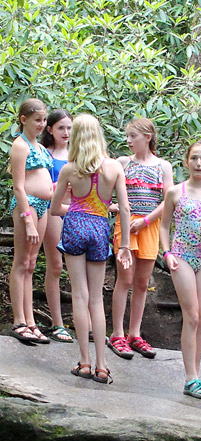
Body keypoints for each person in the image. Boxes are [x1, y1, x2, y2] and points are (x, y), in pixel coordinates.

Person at [50, 114, 132, 383]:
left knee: (79, 296)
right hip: (99, 228)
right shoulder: (113, 168)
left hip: (74, 225)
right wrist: (126, 245)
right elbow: (125, 208)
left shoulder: (69, 169)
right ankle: (102, 365)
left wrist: (74, 208)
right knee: (97, 298)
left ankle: (84, 362)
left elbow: (54, 209)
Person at [159, 140, 201, 399]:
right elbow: (164, 226)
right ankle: (191, 378)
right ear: (187, 161)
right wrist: (166, 253)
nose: (199, 163)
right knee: (191, 314)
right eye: (194, 158)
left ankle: (196, 375)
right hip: (182, 257)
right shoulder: (176, 192)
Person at [108, 118, 175, 360]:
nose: (128, 141)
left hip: (149, 225)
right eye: (127, 136)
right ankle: (117, 333)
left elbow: (169, 199)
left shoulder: (163, 166)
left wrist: (146, 221)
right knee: (124, 278)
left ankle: (134, 334)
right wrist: (114, 206)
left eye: (132, 136)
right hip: (125, 225)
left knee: (142, 282)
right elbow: (104, 185)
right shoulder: (123, 163)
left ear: (147, 137)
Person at [8, 99, 53, 345]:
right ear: (24, 119)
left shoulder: (41, 147)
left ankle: (31, 320)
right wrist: (27, 220)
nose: (42, 124)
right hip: (28, 207)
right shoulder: (20, 145)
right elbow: (18, 186)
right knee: (21, 262)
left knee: (32, 263)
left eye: (44, 120)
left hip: (44, 206)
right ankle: (19, 320)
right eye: (37, 120)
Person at [41, 108, 74, 343]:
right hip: (52, 211)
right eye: (61, 127)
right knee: (55, 265)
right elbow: (39, 186)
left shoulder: (77, 155)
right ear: (50, 129)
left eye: (69, 128)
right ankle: (57, 323)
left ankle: (88, 324)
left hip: (76, 212)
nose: (66, 132)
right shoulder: (44, 153)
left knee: (78, 269)